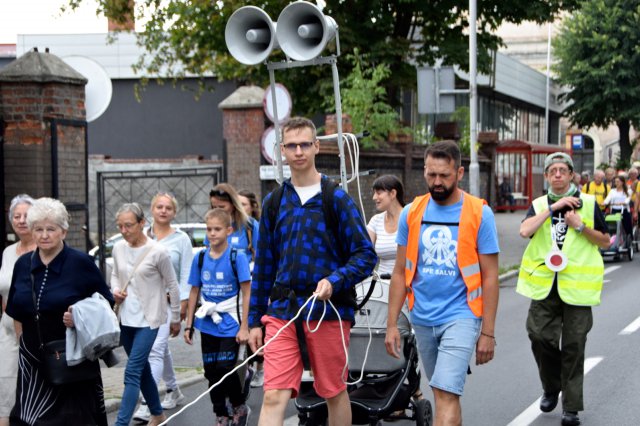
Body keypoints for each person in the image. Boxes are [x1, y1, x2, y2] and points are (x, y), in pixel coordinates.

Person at [248, 116, 377, 426]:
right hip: (282, 311)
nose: (299, 151)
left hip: (328, 310)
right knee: (273, 393)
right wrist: (254, 321)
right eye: (291, 146)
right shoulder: (275, 202)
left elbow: (365, 255)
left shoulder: (337, 199)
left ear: (317, 146)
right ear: (281, 150)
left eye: (305, 144)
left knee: (333, 391)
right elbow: (264, 265)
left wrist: (335, 280)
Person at [385, 140, 499, 426]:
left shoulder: (478, 213)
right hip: (422, 317)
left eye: (444, 176)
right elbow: (400, 271)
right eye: (431, 174)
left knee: (446, 391)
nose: (436, 182)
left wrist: (488, 332)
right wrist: (391, 324)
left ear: (459, 173)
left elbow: (490, 276)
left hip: (461, 315)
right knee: (443, 393)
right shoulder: (411, 213)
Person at [517, 152, 609, 426]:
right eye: (552, 171)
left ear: (571, 175)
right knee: (539, 336)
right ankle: (551, 385)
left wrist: (580, 226)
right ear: (546, 177)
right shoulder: (539, 204)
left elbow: (605, 241)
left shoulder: (589, 203)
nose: (557, 174)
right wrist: (552, 210)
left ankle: (571, 408)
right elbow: (525, 231)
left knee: (573, 346)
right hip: (545, 286)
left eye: (562, 170)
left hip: (577, 289)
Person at [5, 197, 114, 426]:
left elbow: (106, 302)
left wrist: (79, 315)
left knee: (75, 419)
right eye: (38, 229)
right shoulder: (23, 264)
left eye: (51, 229)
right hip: (33, 360)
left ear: (63, 232)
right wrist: (22, 342)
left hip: (72, 359)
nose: (44, 235)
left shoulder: (80, 263)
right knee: (29, 418)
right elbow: (16, 310)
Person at [111, 203, 181, 426]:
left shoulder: (158, 251)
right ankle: (158, 414)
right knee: (142, 370)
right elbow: (114, 275)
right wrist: (115, 292)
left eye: (128, 225)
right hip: (125, 319)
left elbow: (173, 285)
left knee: (132, 371)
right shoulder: (118, 248)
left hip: (150, 320)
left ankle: (121, 423)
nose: (123, 230)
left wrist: (177, 317)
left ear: (142, 223)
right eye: (120, 226)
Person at [184, 209, 252, 426]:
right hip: (207, 323)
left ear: (228, 231)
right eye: (209, 229)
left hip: (230, 321)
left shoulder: (236, 257)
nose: (212, 234)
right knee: (211, 372)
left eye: (217, 229)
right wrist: (189, 326)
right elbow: (194, 290)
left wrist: (245, 327)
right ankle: (220, 413)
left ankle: (239, 405)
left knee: (225, 368)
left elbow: (247, 292)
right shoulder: (201, 257)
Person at [133, 193, 192, 421]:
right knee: (161, 348)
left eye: (168, 207)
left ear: (174, 212)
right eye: (159, 206)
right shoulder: (142, 237)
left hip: (167, 303)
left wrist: (183, 304)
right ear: (152, 210)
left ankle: (148, 402)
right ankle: (173, 390)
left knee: (155, 349)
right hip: (142, 303)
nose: (163, 210)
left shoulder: (181, 239)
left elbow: (186, 273)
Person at [0, 195, 35, 426]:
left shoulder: (44, 249)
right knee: (5, 390)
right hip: (7, 331)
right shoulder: (8, 252)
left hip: (34, 331)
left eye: (26, 216)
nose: (21, 221)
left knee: (34, 390)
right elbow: (4, 291)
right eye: (16, 216)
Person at [238, 189, 265, 388]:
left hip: (252, 282)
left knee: (254, 324)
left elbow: (261, 255)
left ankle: (260, 366)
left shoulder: (253, 227)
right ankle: (246, 367)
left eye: (244, 204)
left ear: (252, 207)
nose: (240, 208)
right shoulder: (229, 227)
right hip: (234, 287)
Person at [210, 184, 259, 262]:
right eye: (214, 207)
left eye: (222, 207)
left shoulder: (251, 225)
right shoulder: (211, 226)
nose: (217, 211)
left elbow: (260, 257)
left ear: (233, 205)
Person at [367, 175, 405, 277]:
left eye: (378, 193)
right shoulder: (376, 221)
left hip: (405, 284)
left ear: (393, 193)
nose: (374, 197)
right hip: (380, 285)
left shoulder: (410, 218)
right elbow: (364, 252)